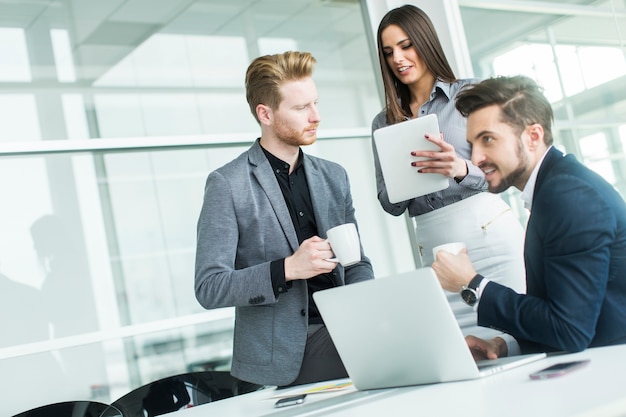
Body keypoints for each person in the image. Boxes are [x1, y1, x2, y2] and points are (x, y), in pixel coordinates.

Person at [194, 51, 374, 387]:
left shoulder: (334, 176)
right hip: (287, 350)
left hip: (346, 327)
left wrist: (367, 311)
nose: (316, 116)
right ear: (265, 113)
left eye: (315, 103)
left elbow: (357, 262)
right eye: (301, 108)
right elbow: (209, 287)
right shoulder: (227, 185)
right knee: (382, 350)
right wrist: (288, 269)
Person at [433, 75, 626, 358]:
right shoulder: (556, 187)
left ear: (533, 136)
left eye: (488, 139)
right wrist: (505, 345)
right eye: (472, 143)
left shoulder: (568, 195)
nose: (475, 158)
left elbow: (569, 330)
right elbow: (563, 314)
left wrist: (472, 283)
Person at [371, 4, 525, 337]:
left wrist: (460, 167)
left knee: (515, 336)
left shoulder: (474, 95)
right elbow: (388, 201)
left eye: (406, 45)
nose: (397, 58)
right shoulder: (384, 123)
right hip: (435, 252)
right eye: (388, 52)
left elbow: (508, 170)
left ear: (425, 42)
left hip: (489, 237)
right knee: (465, 353)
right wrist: (404, 182)